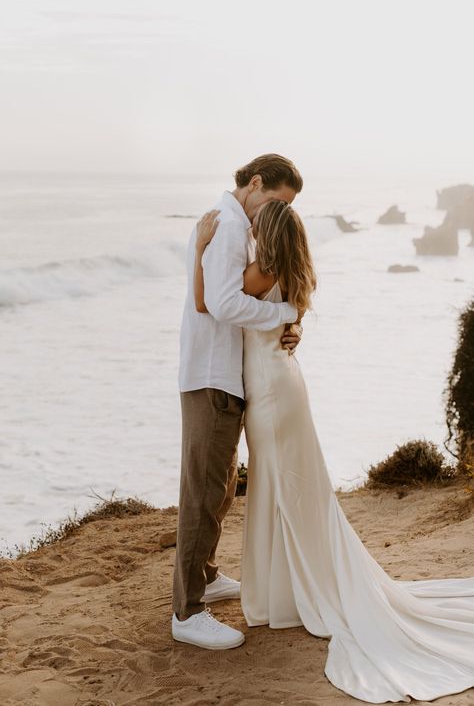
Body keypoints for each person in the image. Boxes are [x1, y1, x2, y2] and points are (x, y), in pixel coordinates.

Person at [193, 200, 474, 703]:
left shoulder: (263, 271)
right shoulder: (288, 269)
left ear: (269, 232)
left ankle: (288, 593)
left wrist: (199, 250)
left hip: (271, 393)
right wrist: (289, 314)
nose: (250, 224)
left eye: (257, 222)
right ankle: (288, 591)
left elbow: (214, 303)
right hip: (279, 385)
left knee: (283, 490)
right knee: (288, 490)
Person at [172, 154, 304, 650]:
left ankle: (205, 576)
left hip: (226, 374)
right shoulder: (227, 226)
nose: (278, 213)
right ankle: (187, 611)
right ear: (254, 183)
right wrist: (287, 312)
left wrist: (287, 323)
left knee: (221, 486)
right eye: (278, 201)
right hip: (212, 374)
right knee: (203, 494)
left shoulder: (231, 225)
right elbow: (222, 303)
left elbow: (211, 299)